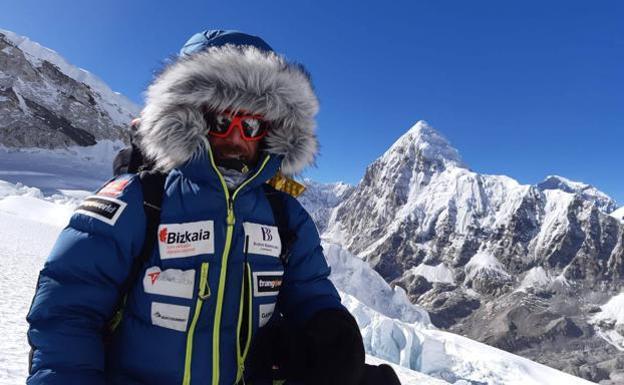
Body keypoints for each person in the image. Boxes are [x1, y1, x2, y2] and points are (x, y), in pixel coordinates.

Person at [26, 30, 400, 385]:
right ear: (190, 120)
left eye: (252, 124)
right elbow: (65, 318)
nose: (237, 138)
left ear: (272, 131)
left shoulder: (286, 217)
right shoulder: (135, 201)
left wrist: (330, 328)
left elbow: (310, 293)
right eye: (221, 120)